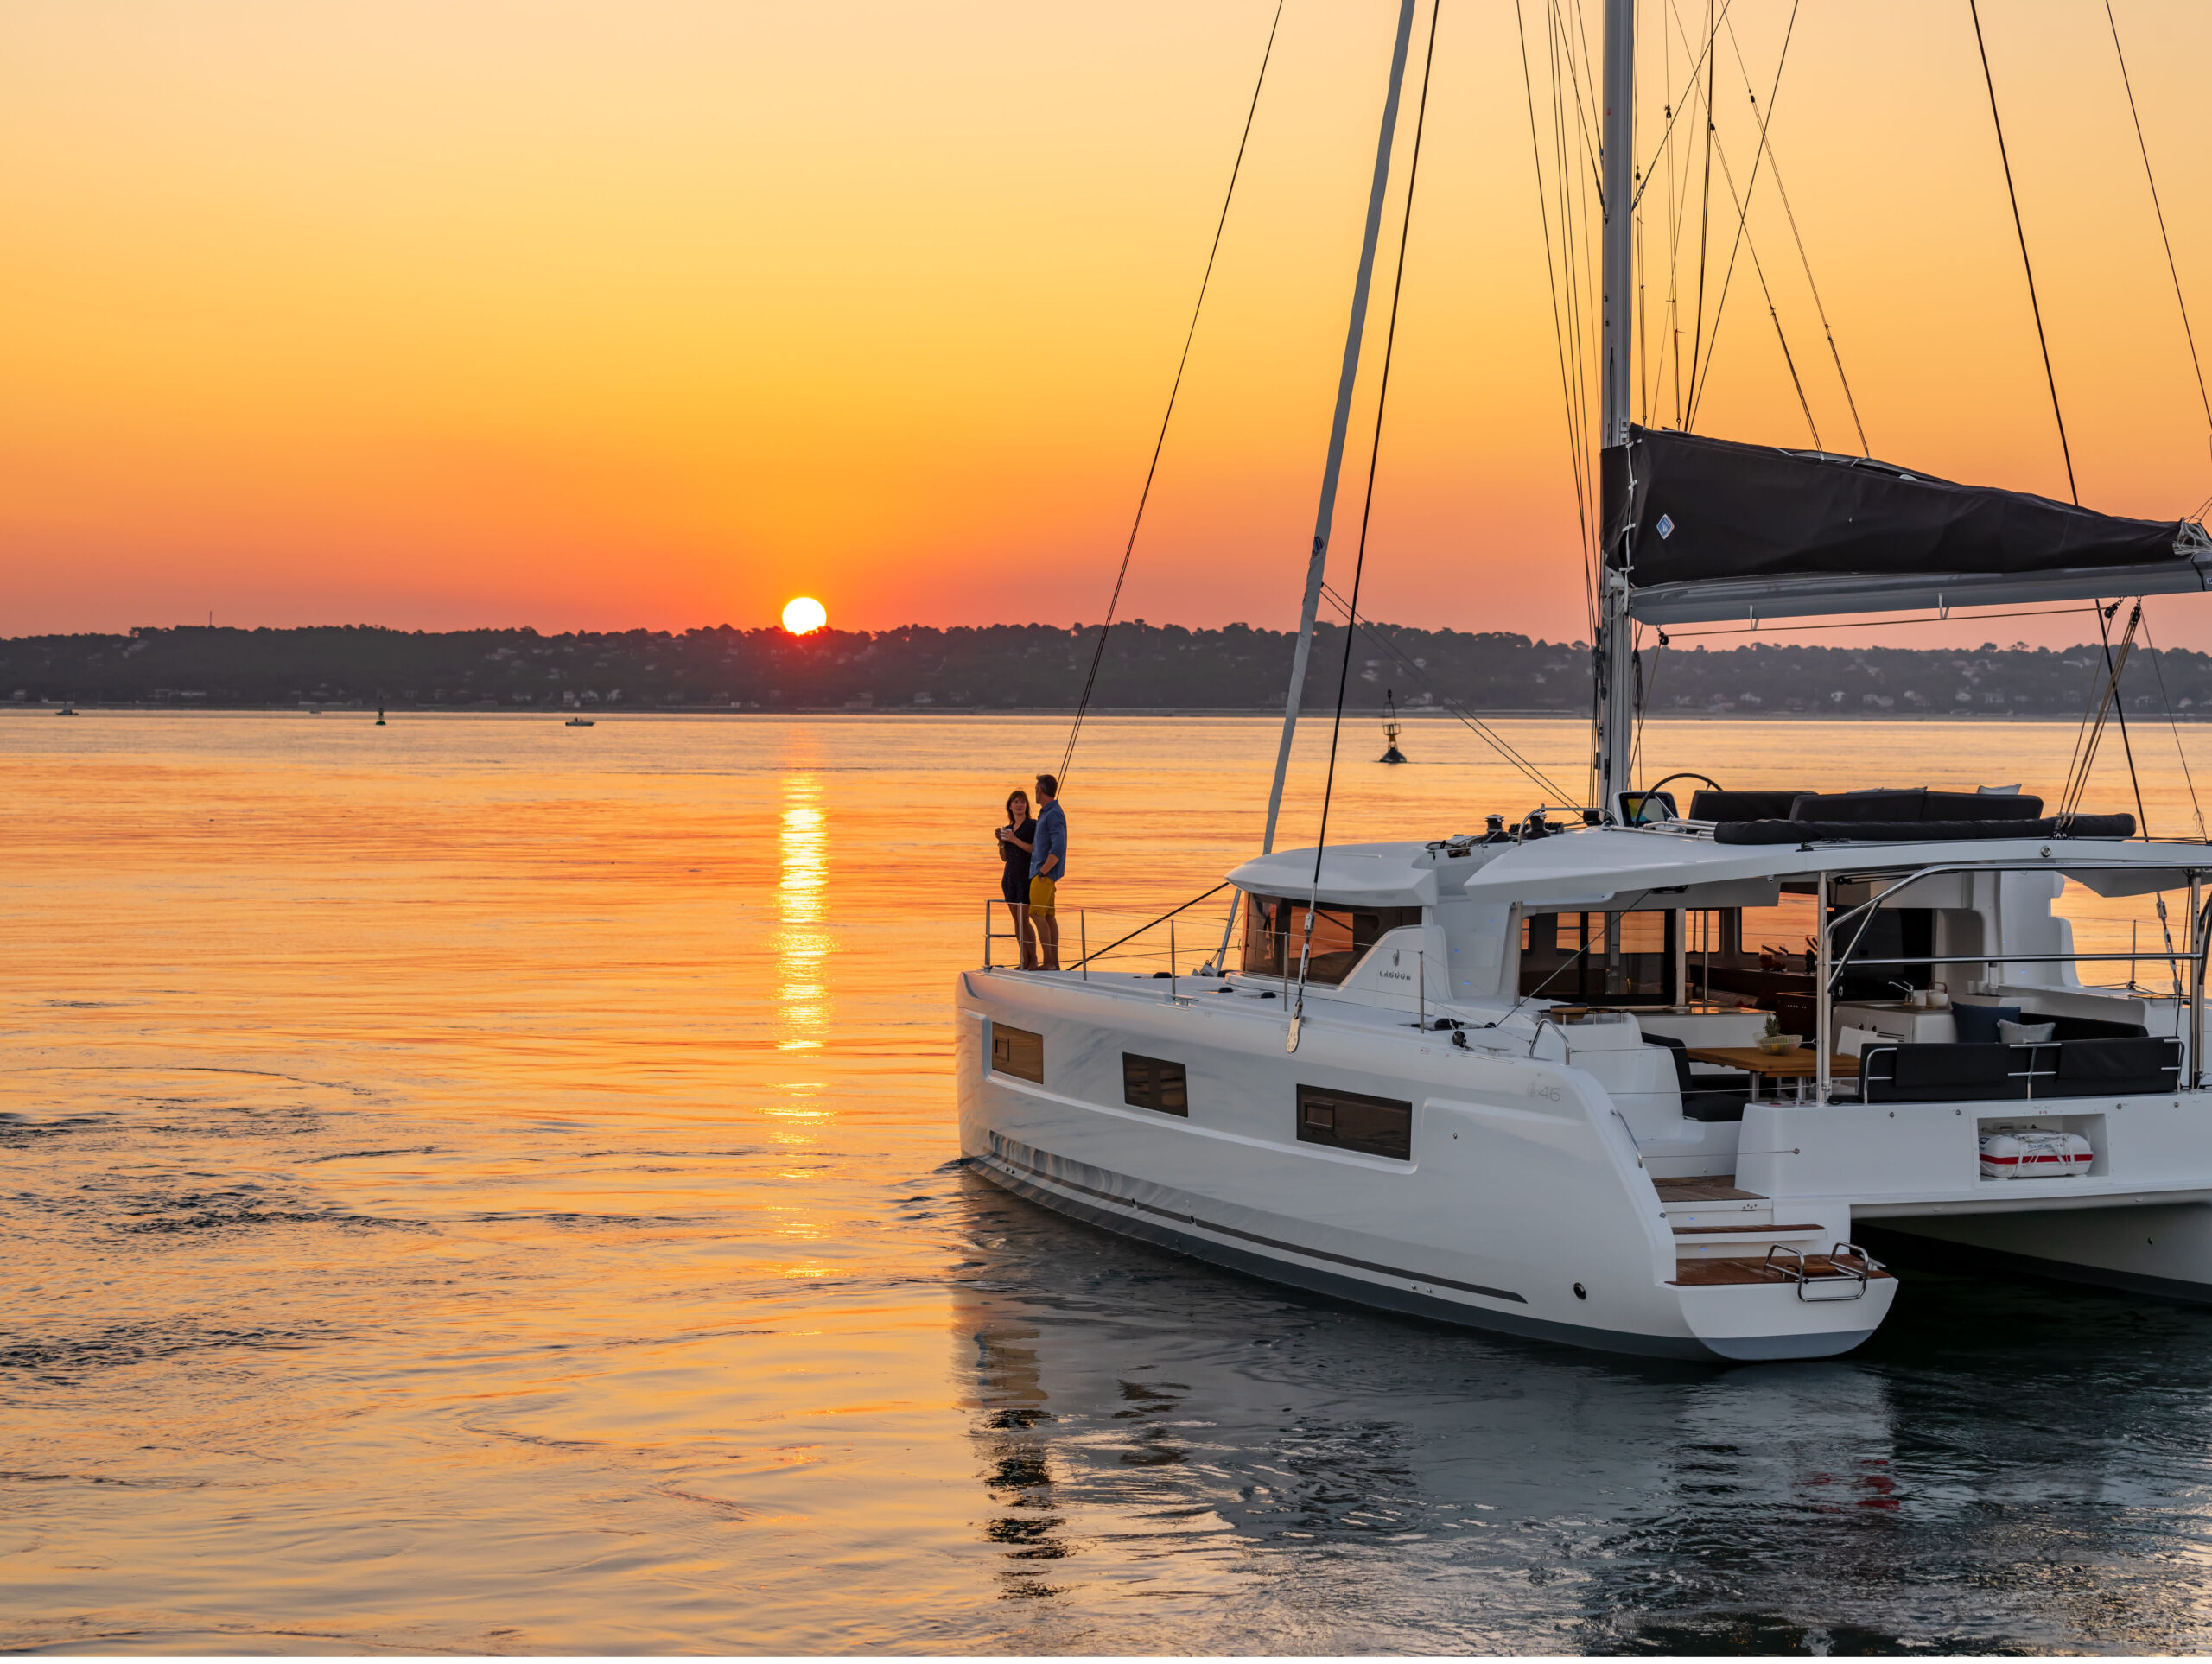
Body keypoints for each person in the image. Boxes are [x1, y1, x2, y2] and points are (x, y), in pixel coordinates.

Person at [995, 789, 1038, 969]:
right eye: (1016, 802)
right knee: (1017, 921)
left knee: (1025, 920)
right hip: (1010, 878)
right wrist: (1002, 842)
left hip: (1025, 877)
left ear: (1026, 806)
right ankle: (1024, 959)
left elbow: (1033, 849)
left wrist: (1013, 839)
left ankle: (1033, 959)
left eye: (1022, 802)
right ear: (1010, 806)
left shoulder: (1032, 825)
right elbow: (1004, 857)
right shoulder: (1007, 829)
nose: (1019, 805)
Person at [1028, 773, 1067, 971]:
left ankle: (1049, 962)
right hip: (1044, 873)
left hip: (1043, 874)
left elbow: (1058, 848)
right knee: (1049, 916)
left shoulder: (1053, 814)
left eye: (1035, 789)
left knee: (1035, 914)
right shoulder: (1046, 812)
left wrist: (1042, 872)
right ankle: (1054, 962)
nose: (1034, 793)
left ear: (1040, 790)